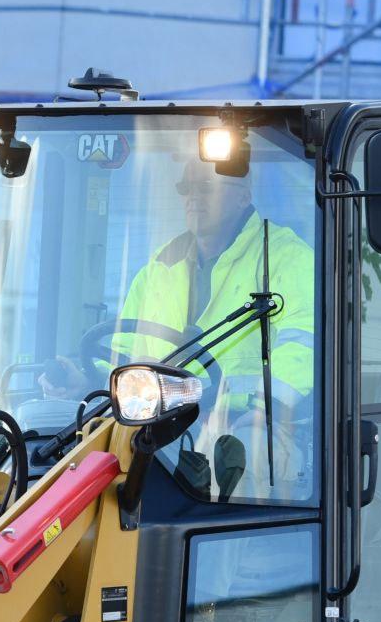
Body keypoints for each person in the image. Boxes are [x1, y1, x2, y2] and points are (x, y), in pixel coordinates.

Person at [93, 158, 318, 498]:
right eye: (187, 188)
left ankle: (242, 550)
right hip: (162, 428)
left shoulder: (282, 257)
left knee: (245, 453)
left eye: (206, 187)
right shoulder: (159, 266)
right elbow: (123, 352)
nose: (193, 197)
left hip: (251, 423)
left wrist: (262, 411)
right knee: (92, 448)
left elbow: (304, 343)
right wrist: (89, 381)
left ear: (244, 195)